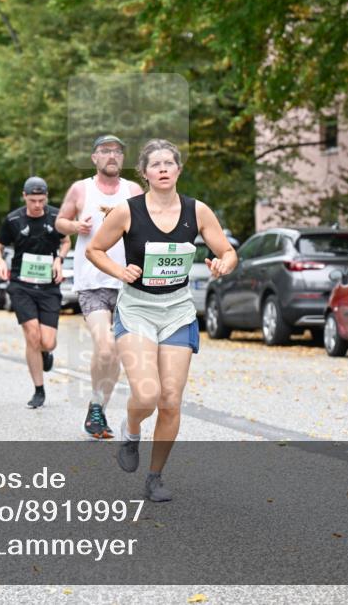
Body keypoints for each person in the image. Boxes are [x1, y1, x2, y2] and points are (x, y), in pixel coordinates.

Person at [87, 139, 237, 502]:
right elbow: (94, 249)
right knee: (148, 394)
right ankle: (132, 428)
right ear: (145, 173)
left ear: (179, 170)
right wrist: (119, 271)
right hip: (137, 309)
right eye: (156, 165)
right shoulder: (126, 211)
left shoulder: (197, 211)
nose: (164, 169)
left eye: (170, 163)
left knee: (170, 399)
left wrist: (222, 264)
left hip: (178, 312)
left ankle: (154, 476)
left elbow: (228, 251)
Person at [56, 134, 143, 439]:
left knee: (117, 352)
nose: (112, 156)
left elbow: (146, 225)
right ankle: (97, 404)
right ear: (94, 157)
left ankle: (98, 408)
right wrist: (74, 226)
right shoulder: (81, 189)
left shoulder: (133, 190)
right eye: (105, 151)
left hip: (127, 282)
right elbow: (60, 222)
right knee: (104, 345)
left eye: (118, 151)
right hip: (92, 282)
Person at [0, 177, 71, 408]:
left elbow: (66, 241)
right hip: (21, 284)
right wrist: (0, 263)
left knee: (48, 342)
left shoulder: (57, 217)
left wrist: (59, 259)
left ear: (46, 197)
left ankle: (45, 354)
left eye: (41, 200)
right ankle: (39, 389)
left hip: (48, 287)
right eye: (33, 200)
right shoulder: (14, 220)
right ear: (24, 197)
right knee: (31, 335)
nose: (37, 205)